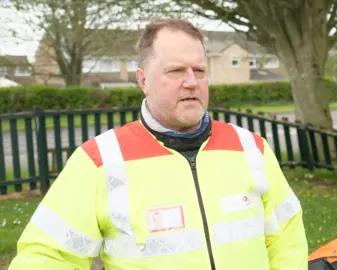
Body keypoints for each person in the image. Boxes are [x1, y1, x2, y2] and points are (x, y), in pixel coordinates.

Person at [8, 18, 308, 270]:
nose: (191, 82)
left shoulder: (251, 149)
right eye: (176, 71)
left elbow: (287, 244)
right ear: (143, 80)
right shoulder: (100, 161)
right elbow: (46, 257)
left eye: (199, 71)